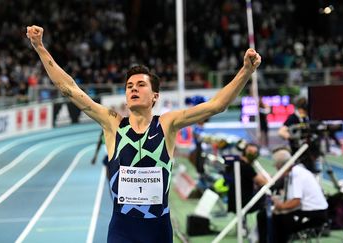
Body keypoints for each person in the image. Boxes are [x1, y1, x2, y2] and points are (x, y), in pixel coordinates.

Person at [26, 25, 261, 243]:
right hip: (122, 229)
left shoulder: (168, 124)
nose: (133, 89)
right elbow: (69, 88)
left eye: (140, 85)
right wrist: (39, 47)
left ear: (155, 96)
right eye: (129, 86)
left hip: (158, 229)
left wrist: (246, 71)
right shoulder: (113, 124)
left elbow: (216, 105)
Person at [257, 148, 328, 243]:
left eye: (275, 164)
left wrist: (280, 207)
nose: (274, 166)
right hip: (306, 210)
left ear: (281, 165)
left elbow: (295, 202)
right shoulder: (294, 172)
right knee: (263, 215)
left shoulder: (296, 174)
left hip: (315, 214)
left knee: (280, 222)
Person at [224, 143, 268, 214]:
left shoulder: (235, 163)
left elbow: (225, 159)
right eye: (250, 151)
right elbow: (264, 182)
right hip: (242, 202)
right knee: (268, 197)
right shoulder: (246, 167)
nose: (252, 154)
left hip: (232, 201)